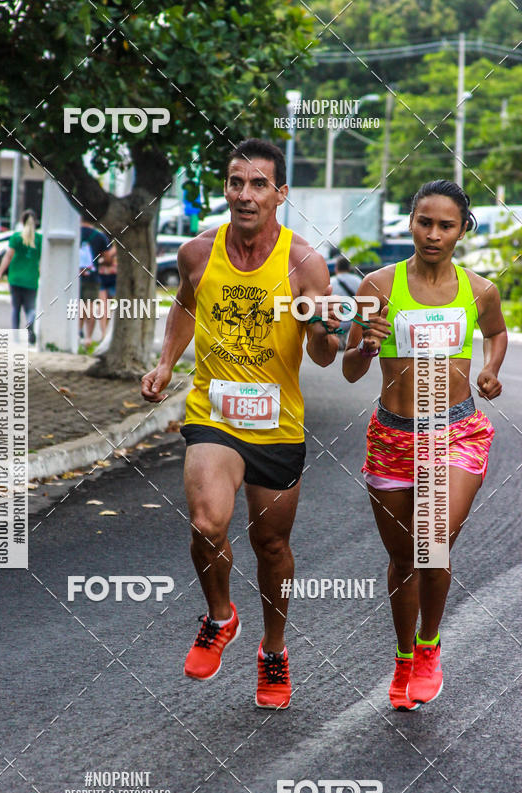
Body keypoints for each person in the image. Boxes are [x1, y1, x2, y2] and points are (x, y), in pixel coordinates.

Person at [142, 138, 340, 709]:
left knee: (270, 544)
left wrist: (328, 329)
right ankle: (220, 616)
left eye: (259, 184)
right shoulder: (198, 253)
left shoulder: (304, 263)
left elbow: (324, 355)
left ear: (281, 194)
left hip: (277, 423)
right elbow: (185, 303)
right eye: (236, 182)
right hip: (215, 415)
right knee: (208, 523)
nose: (245, 194)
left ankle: (273, 649)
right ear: (225, 188)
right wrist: (165, 363)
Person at [343, 180, 507, 710]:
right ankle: (403, 655)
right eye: (424, 222)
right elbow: (349, 370)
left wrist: (490, 367)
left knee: (431, 543)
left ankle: (430, 645)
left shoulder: (479, 289)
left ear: (462, 230)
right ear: (411, 222)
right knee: (402, 559)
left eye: (445, 225)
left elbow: (496, 332)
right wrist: (365, 348)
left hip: (455, 432)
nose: (433, 234)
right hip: (393, 435)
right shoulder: (377, 286)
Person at [0, 209, 42, 344]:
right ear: (35, 222)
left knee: (16, 308)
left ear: (22, 221)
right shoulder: (40, 239)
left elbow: (8, 256)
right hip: (31, 278)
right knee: (30, 308)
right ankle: (30, 322)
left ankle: (15, 337)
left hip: (15, 277)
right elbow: (42, 260)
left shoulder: (16, 237)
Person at [79, 218, 108, 346]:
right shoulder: (99, 236)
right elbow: (107, 258)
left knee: (77, 305)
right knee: (90, 307)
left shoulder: (75, 232)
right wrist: (100, 261)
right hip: (92, 276)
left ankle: (77, 333)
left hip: (75, 276)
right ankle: (88, 338)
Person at [330, 256, 362, 349]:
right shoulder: (357, 280)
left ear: (336, 268)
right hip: (354, 321)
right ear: (349, 267)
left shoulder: (331, 282)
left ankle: (338, 339)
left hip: (336, 320)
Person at [97, 240, 116, 341]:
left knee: (108, 307)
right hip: (102, 276)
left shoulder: (122, 242)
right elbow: (107, 257)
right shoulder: (103, 240)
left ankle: (105, 331)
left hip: (114, 277)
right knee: (103, 305)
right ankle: (103, 333)